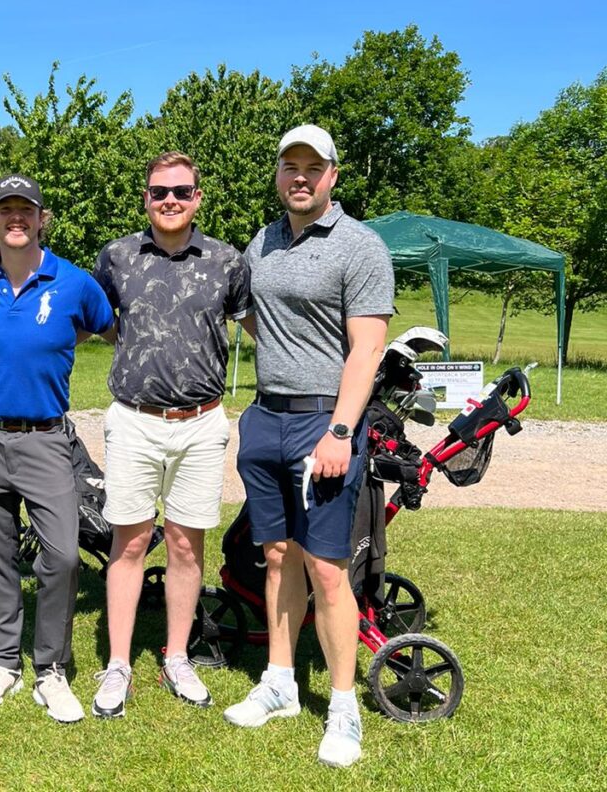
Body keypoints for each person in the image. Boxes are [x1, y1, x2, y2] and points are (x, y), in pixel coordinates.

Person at [222, 125, 394, 768]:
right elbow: (252, 314)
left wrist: (342, 430)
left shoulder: (360, 246)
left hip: (325, 422)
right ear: (279, 174)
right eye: (289, 166)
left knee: (326, 567)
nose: (300, 177)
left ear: (333, 175)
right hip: (266, 419)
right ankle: (280, 683)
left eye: (312, 167)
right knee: (275, 556)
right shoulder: (261, 242)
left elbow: (367, 348)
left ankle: (344, 708)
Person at [91, 152, 252, 718]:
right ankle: (117, 664)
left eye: (182, 191)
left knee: (187, 544)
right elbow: (95, 316)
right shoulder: (117, 257)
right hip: (134, 419)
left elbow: (257, 323)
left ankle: (178, 655)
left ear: (198, 198)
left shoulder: (227, 261)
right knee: (130, 542)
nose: (170, 201)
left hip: (202, 422)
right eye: (160, 191)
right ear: (146, 196)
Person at [0, 174, 114, 723]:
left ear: (42, 218)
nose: (16, 218)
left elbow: (110, 330)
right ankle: (4, 661)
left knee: (64, 555)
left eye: (26, 209)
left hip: (47, 438)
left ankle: (50, 669)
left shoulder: (73, 282)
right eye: (6, 210)